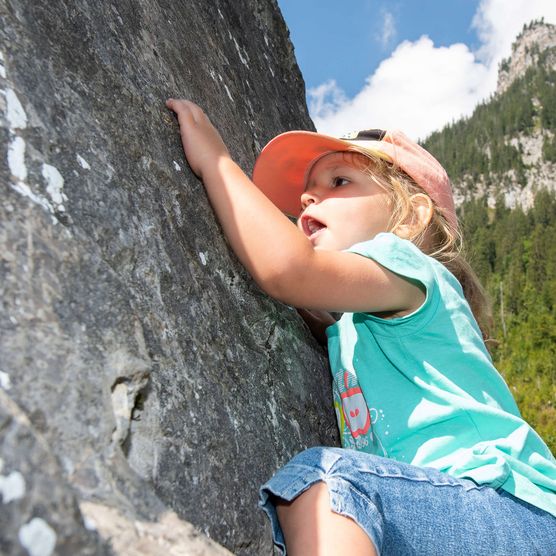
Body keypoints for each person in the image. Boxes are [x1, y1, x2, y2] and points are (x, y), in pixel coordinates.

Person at [165, 99, 556, 555]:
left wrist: (217, 163)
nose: (308, 198)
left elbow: (289, 271)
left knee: (326, 485)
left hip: (508, 511)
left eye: (338, 181)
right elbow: (313, 303)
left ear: (410, 218)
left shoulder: (409, 266)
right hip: (440, 519)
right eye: (306, 194)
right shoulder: (351, 320)